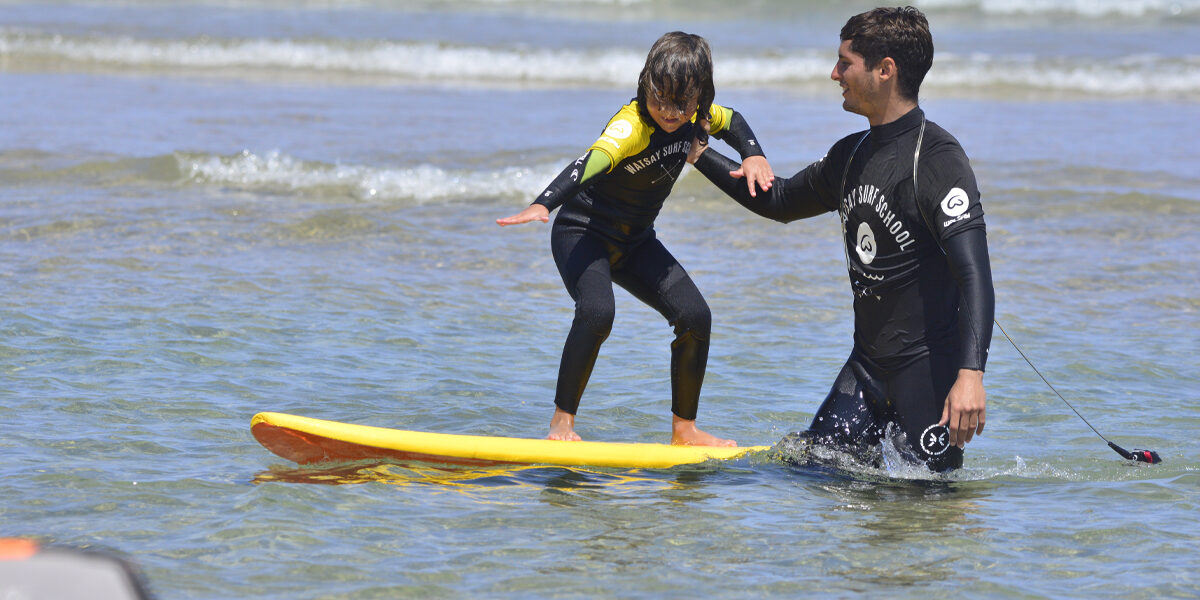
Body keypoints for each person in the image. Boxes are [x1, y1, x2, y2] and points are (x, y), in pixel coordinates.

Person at [687, 6, 994, 471]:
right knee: (807, 470)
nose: (834, 74)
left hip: (928, 375)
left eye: (845, 62)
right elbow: (781, 202)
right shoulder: (850, 154)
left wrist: (971, 376)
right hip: (866, 370)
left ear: (885, 70)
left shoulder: (937, 159)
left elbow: (974, 275)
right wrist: (699, 153)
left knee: (930, 509)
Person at [497, 31, 775, 446]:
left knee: (695, 317)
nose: (667, 111)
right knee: (597, 311)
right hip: (583, 232)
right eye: (658, 97)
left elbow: (732, 121)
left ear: (699, 95)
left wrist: (753, 153)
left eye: (680, 104)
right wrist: (544, 203)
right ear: (646, 83)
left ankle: (685, 431)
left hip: (636, 241)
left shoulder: (699, 114)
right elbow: (589, 162)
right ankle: (562, 423)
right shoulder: (632, 124)